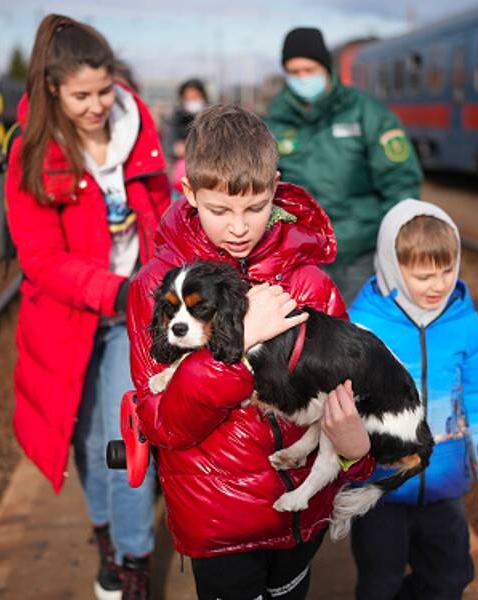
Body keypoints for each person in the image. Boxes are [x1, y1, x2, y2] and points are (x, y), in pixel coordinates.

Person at [126, 104, 377, 600]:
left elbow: (348, 389)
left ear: (275, 188)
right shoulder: (158, 288)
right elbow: (160, 423)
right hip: (220, 524)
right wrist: (236, 351)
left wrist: (355, 452)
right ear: (190, 193)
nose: (239, 226)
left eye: (256, 207)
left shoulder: (308, 283)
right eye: (220, 210)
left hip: (302, 520)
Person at [3, 15, 171, 600]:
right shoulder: (33, 153)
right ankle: (106, 540)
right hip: (69, 322)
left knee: (124, 445)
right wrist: (112, 290)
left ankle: (133, 568)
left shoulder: (136, 125)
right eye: (82, 96)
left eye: (105, 90)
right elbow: (41, 259)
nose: (98, 105)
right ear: (52, 89)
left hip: (133, 317)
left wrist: (152, 282)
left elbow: (161, 207)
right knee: (87, 448)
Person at [346, 200, 478, 600]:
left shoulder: (464, 321)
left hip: (442, 484)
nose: (438, 284)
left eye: (447, 271)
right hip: (378, 488)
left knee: (450, 579)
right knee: (378, 583)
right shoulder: (364, 323)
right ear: (391, 267)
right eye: (423, 275)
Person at [265, 27, 424, 304]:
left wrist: (392, 240)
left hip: (360, 254)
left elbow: (400, 181)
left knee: (357, 333)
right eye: (295, 72)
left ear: (326, 68)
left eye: (309, 69)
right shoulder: (276, 122)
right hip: (300, 256)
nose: (303, 78)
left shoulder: (367, 113)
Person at [163, 78, 209, 198]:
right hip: (181, 179)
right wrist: (175, 149)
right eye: (188, 98)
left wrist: (190, 148)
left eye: (195, 97)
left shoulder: (212, 119)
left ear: (203, 96)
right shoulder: (175, 119)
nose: (192, 101)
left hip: (208, 177)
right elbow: (168, 145)